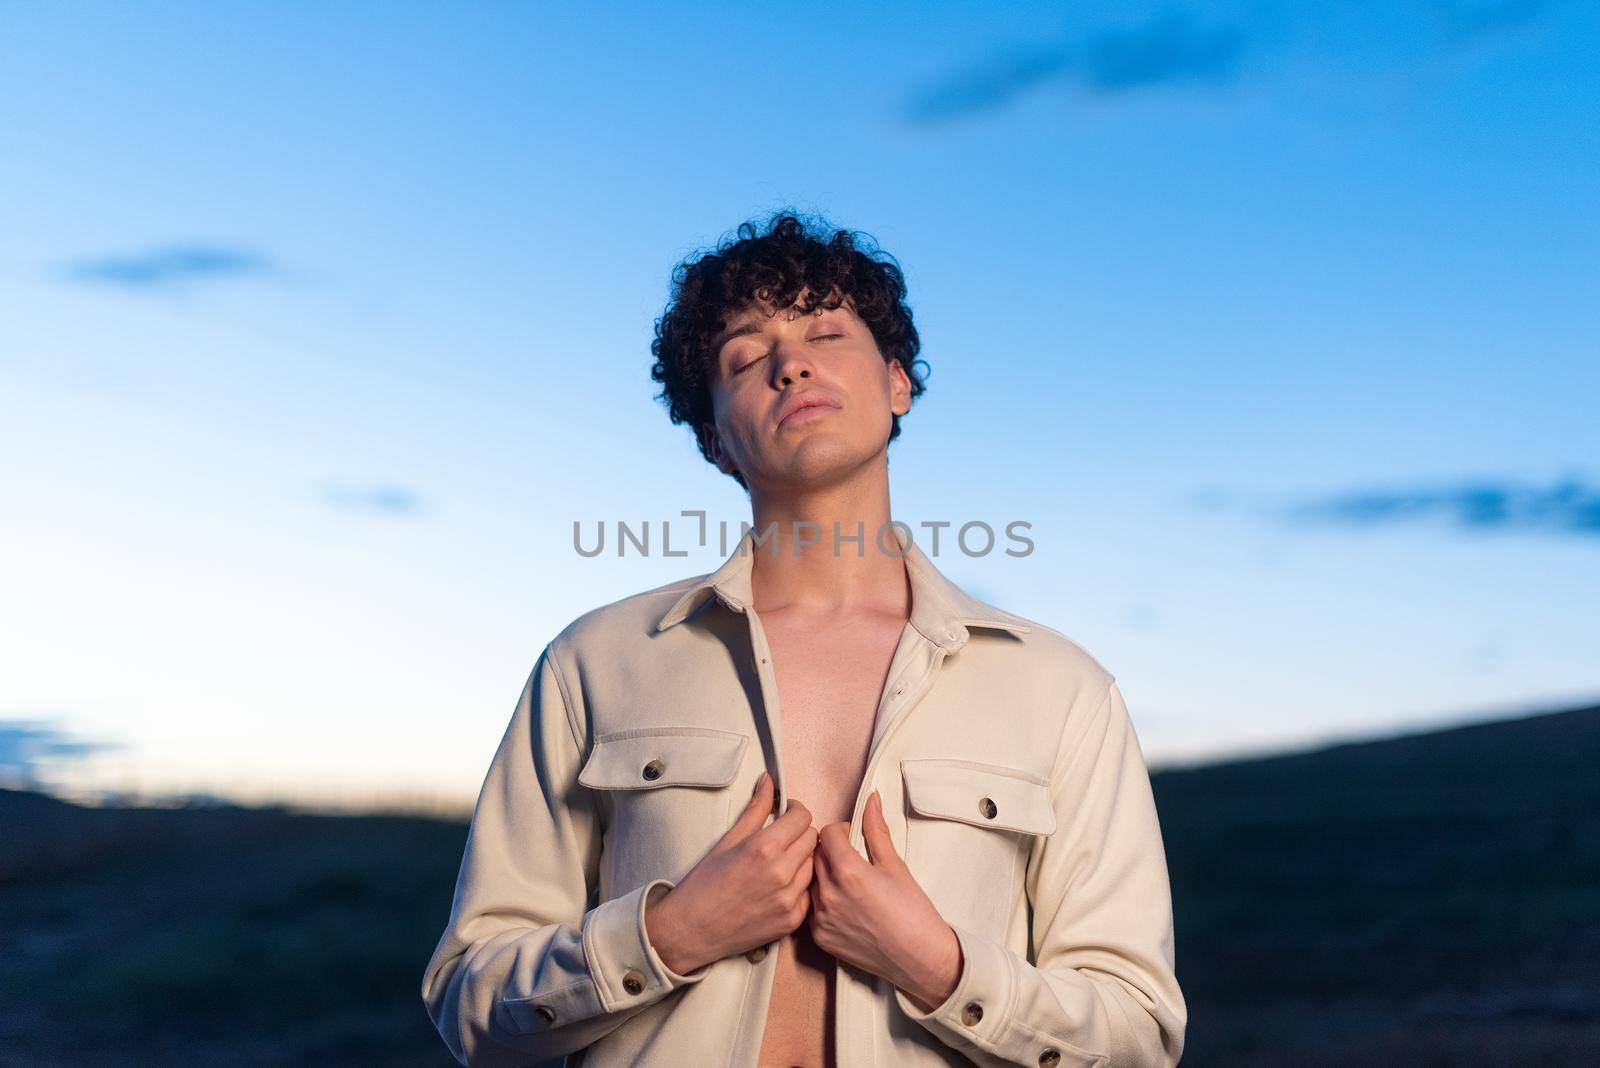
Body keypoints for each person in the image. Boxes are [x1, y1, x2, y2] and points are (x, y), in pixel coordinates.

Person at [421, 211, 1187, 1067]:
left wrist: (936, 966)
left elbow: (1138, 1035)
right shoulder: (594, 665)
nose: (791, 362)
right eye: (746, 357)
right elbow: (469, 1003)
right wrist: (669, 935)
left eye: (827, 332)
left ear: (899, 383)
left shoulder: (1061, 689)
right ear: (714, 439)